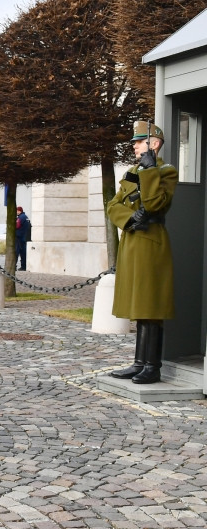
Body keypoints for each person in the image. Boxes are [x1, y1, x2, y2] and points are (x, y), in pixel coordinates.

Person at [106, 120, 177, 385]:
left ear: (154, 144)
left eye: (139, 142)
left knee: (150, 306)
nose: (134, 146)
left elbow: (155, 203)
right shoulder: (131, 171)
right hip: (132, 238)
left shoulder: (165, 172)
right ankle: (138, 363)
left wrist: (149, 171)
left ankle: (152, 366)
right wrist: (129, 217)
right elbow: (113, 205)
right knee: (138, 304)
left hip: (151, 242)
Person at [14, 206, 31, 271]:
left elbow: (17, 226)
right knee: (23, 253)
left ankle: (13, 266)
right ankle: (24, 266)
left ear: (19, 211)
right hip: (25, 237)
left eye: (16, 211)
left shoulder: (20, 218)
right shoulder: (26, 217)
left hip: (19, 237)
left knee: (16, 252)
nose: (16, 212)